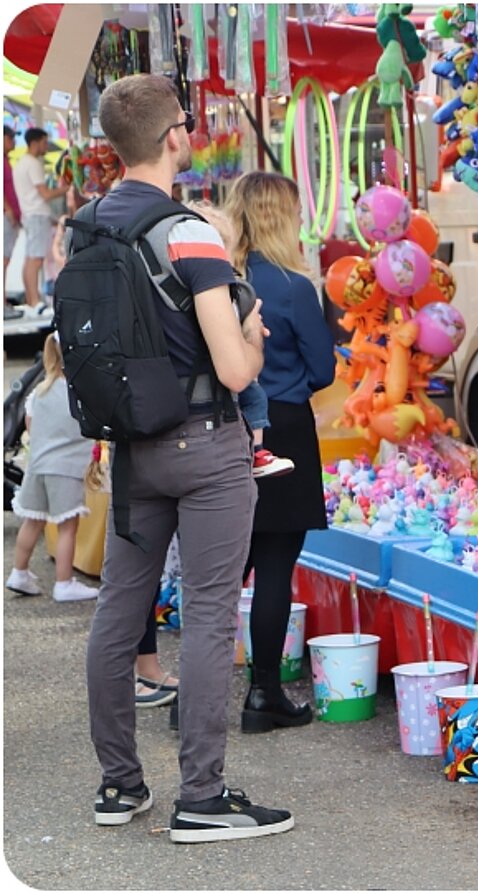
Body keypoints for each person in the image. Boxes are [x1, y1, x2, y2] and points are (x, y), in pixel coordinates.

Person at [81, 74, 293, 842]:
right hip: (205, 445)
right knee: (206, 613)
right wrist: (254, 333)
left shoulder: (86, 226)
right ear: (177, 136)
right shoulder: (190, 231)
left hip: (130, 448)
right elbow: (236, 371)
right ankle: (201, 797)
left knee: (118, 612)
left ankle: (119, 786)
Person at [222, 171, 334, 734]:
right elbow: (324, 369)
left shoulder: (218, 280)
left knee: (219, 571)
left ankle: (191, 695)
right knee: (273, 568)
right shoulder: (293, 286)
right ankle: (263, 693)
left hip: (225, 427)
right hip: (285, 427)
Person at [187, 200, 294, 478]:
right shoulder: (226, 288)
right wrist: (251, 330)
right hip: (223, 369)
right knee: (253, 395)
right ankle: (256, 449)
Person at [5, 333, 100, 602]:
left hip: (37, 467)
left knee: (32, 520)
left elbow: (31, 429)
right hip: (67, 469)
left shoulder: (39, 391)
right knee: (67, 527)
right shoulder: (82, 393)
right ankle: (64, 582)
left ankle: (19, 572)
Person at [14, 127, 64, 316]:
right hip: (36, 215)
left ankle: (31, 300)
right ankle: (35, 302)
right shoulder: (33, 163)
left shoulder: (20, 163)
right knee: (35, 259)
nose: (46, 146)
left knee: (30, 259)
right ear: (34, 143)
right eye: (44, 142)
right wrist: (65, 188)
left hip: (29, 214)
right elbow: (44, 193)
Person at [4, 125, 21, 288]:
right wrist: (8, 210)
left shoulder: (6, 161)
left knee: (6, 259)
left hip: (11, 215)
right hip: (5, 215)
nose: (13, 141)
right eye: (9, 138)